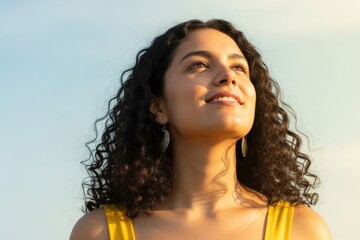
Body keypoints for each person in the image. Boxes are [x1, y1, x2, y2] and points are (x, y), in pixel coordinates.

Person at [70, 19, 331, 240]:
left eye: (239, 67)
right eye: (199, 65)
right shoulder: (100, 232)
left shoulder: (302, 229)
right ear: (158, 107)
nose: (228, 76)